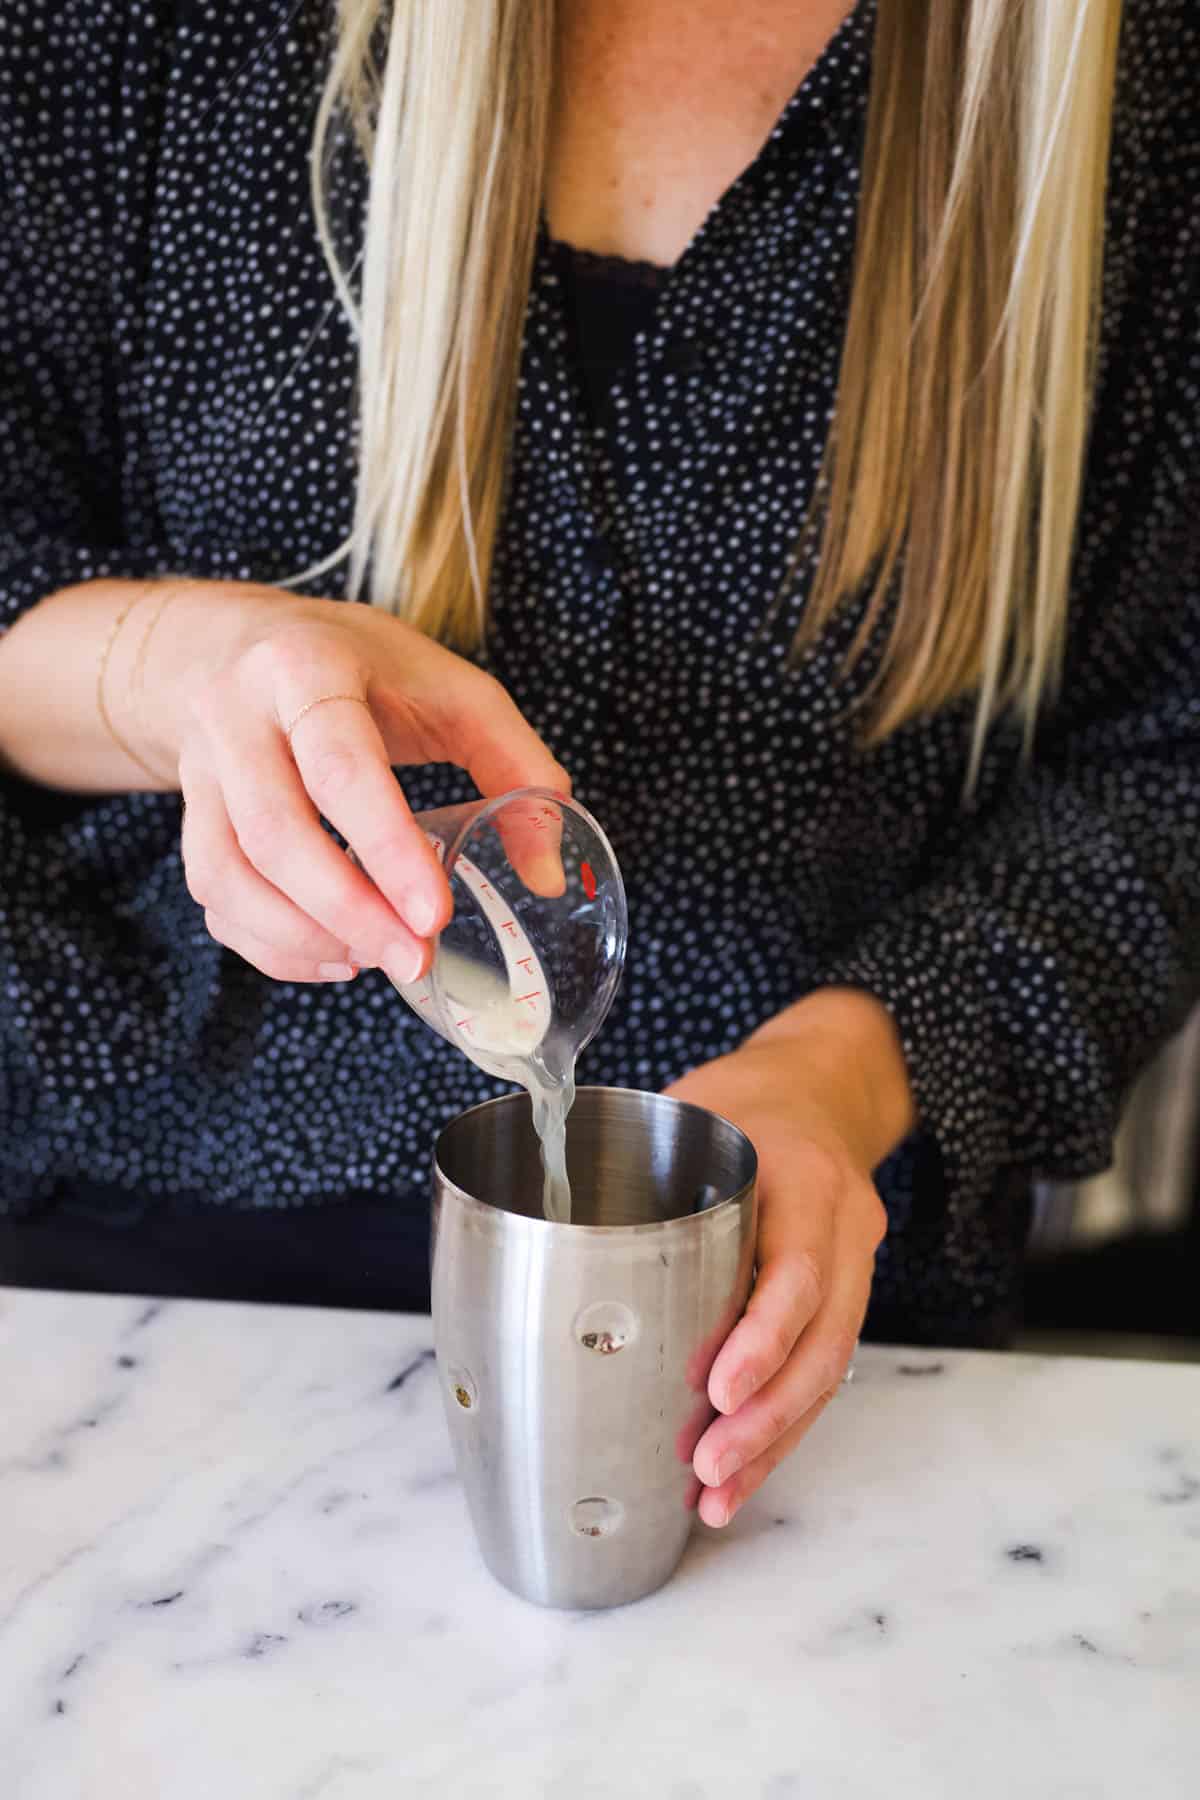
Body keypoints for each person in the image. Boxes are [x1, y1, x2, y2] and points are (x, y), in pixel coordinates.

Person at [0, 0, 1196, 1529]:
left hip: (792, 1352)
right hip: (139, 1292)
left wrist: (842, 1078)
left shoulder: (1118, 81)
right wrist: (167, 672)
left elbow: (1165, 759)